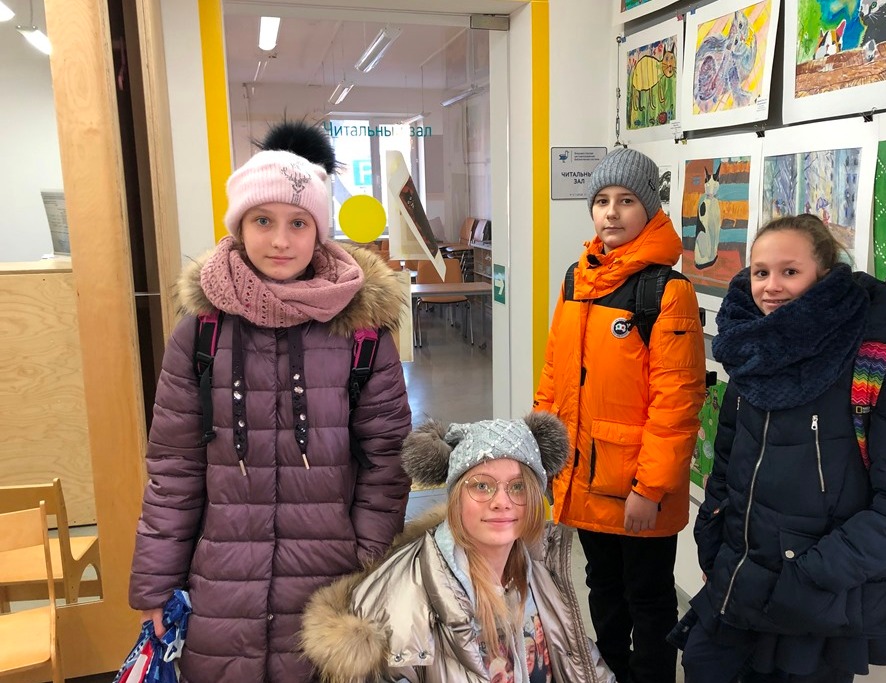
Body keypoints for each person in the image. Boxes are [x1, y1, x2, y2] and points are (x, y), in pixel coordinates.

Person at [128, 121, 412, 682]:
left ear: (319, 232)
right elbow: (174, 467)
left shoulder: (361, 334)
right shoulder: (201, 333)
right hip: (221, 584)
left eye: (298, 223)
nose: (280, 240)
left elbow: (387, 461)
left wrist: (367, 560)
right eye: (262, 220)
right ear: (238, 226)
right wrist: (158, 582)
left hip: (330, 584)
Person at [675, 214, 886, 683]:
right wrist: (713, 546)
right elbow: (727, 467)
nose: (771, 286)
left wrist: (811, 575)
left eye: (790, 271)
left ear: (824, 275)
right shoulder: (750, 355)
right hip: (737, 582)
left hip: (816, 606)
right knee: (701, 664)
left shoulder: (874, 369)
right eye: (761, 272)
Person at [534, 146, 706, 682]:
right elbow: (553, 375)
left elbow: (677, 402)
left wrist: (649, 489)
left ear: (650, 208)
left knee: (648, 599)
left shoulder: (666, 290)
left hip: (636, 488)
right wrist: (541, 451)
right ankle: (606, 672)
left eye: (626, 200)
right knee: (602, 588)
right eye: (602, 200)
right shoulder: (575, 280)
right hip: (582, 476)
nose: (611, 212)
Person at [301, 413, 616, 683]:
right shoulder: (401, 602)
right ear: (456, 498)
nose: (502, 502)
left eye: (518, 486)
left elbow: (584, 665)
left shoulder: (542, 573)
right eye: (482, 485)